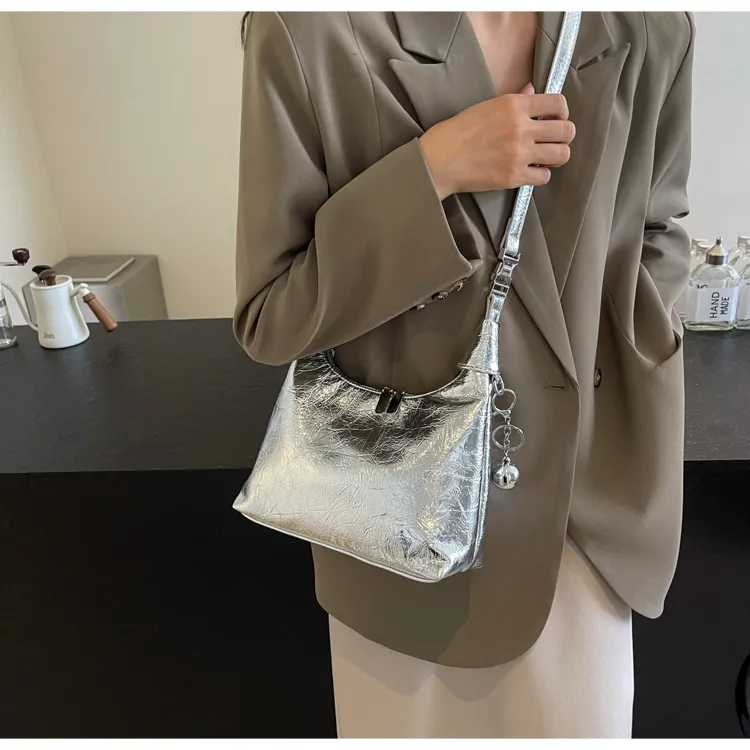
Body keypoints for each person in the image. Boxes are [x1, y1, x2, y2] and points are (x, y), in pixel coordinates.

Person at [233, 11, 694, 739]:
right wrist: (432, 171)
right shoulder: (308, 31)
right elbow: (272, 315)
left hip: (590, 496)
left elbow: (657, 230)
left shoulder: (651, 26)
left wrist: (630, 349)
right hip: (402, 520)